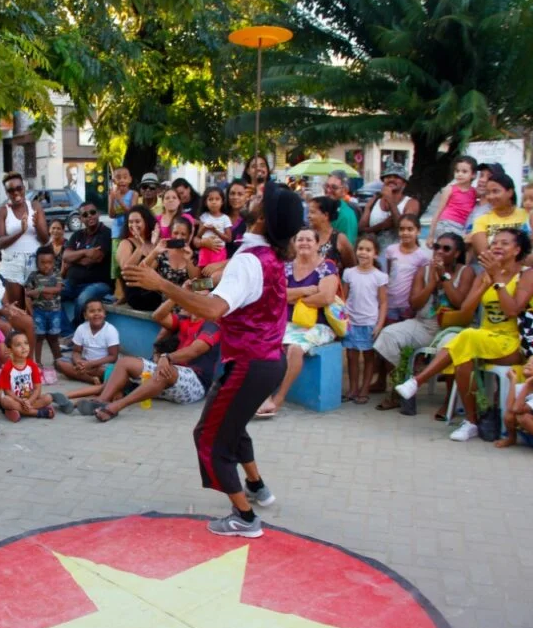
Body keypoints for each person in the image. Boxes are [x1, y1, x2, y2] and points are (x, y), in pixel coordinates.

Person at [120, 181, 305, 538]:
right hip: (267, 362)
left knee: (208, 437)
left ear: (263, 217)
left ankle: (245, 517)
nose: (251, 196)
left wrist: (162, 284)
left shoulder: (251, 261)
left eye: (259, 198)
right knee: (232, 428)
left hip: (249, 365)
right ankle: (256, 486)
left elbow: (214, 310)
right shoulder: (265, 255)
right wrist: (199, 285)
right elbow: (236, 296)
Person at [396, 229, 533, 442]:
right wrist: (484, 284)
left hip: (512, 342)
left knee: (468, 338)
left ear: (517, 250)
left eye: (504, 243)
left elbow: (512, 310)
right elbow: (465, 309)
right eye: (494, 243)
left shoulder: (529, 275)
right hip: (484, 339)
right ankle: (471, 422)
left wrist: (498, 280)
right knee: (463, 359)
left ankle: (418, 381)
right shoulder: (485, 274)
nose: (497, 246)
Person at [372, 233, 473, 414]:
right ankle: (401, 387)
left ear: (457, 253)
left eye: (446, 248)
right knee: (388, 335)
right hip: (423, 324)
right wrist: (431, 284)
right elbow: (415, 303)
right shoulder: (424, 270)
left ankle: (449, 401)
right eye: (437, 247)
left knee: (450, 345)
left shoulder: (466, 272)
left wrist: (444, 278)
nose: (440, 252)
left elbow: (460, 302)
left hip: (451, 328)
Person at [79, 295, 221, 422]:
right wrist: (178, 294)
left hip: (196, 384)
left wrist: (167, 357)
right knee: (124, 362)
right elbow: (158, 316)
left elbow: (195, 350)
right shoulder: (184, 320)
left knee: (165, 370)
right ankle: (101, 401)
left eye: (197, 298)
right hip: (172, 374)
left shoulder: (212, 326)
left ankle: (116, 407)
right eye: (191, 297)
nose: (191, 299)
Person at [255, 228, 340, 417]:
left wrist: (294, 297)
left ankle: (279, 398)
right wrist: (307, 290)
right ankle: (264, 395)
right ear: (294, 243)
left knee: (294, 348)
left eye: (309, 239)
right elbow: (277, 296)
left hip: (319, 325)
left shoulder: (327, 267)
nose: (304, 243)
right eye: (300, 239)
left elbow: (326, 297)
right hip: (288, 323)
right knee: (265, 343)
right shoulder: (286, 267)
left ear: (318, 244)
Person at [342, 235, 389, 405]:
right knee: (352, 356)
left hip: (369, 323)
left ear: (375, 254)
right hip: (351, 322)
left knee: (369, 358)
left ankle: (364, 389)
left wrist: (379, 324)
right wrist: (342, 319)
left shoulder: (379, 276)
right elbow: (343, 297)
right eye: (360, 249)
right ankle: (353, 388)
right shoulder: (349, 273)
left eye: (368, 250)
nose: (363, 253)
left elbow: (383, 302)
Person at [0, 171, 49, 309]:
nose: (16, 193)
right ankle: (18, 331)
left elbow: (45, 240)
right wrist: (21, 231)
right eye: (11, 190)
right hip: (12, 262)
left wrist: (37, 226)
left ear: (24, 188)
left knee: (36, 306)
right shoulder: (2, 211)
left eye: (19, 188)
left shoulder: (35, 206)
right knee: (16, 307)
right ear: (6, 193)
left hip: (35, 260)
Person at [61, 203, 112, 334]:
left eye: (92, 212)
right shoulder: (77, 235)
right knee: (48, 294)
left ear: (98, 214)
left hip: (98, 284)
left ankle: (76, 332)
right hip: (73, 282)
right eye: (85, 214)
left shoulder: (106, 233)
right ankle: (68, 332)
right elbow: (66, 256)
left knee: (83, 300)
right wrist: (84, 252)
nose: (89, 216)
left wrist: (74, 259)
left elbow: (95, 259)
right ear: (81, 218)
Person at [469, 173, 533, 261]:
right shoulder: (482, 220)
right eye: (488, 193)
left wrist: (529, 259)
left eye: (495, 191)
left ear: (510, 192)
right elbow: (484, 253)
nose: (491, 196)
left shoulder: (529, 215)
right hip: (495, 269)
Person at [360, 163, 421, 254]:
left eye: (396, 177)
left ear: (404, 183)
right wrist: (382, 225)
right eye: (388, 177)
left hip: (400, 257)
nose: (391, 179)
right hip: (374, 256)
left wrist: (390, 200)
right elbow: (361, 230)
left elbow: (402, 228)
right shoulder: (374, 201)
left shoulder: (411, 203)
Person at [55, 299, 120, 384]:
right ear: (85, 315)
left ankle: (81, 374)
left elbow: (113, 357)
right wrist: (78, 362)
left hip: (102, 364)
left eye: (99, 310)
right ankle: (91, 380)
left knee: (108, 371)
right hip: (84, 362)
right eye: (92, 311)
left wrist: (91, 364)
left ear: (104, 314)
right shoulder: (81, 328)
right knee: (59, 363)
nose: (96, 314)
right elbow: (76, 351)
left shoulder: (110, 330)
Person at [0, 330, 56, 421]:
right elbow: (7, 392)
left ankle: (17, 411)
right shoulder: (7, 368)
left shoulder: (32, 366)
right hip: (15, 399)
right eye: (18, 345)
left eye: (26, 343)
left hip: (29, 398)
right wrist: (21, 401)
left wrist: (29, 401)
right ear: (10, 350)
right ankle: (38, 413)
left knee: (48, 398)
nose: (24, 347)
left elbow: (37, 389)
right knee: (5, 400)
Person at [116, 205, 163, 311]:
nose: (133, 225)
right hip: (137, 293)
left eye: (137, 221)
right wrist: (140, 247)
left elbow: (153, 267)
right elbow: (126, 270)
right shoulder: (126, 243)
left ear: (146, 222)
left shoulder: (153, 242)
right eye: (130, 222)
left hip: (155, 289)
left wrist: (154, 245)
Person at [425, 156, 477, 244]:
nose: (459, 174)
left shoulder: (474, 192)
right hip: (446, 224)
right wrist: (430, 235)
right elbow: (438, 211)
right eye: (457, 171)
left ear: (473, 174)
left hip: (462, 227)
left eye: (464, 171)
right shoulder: (449, 189)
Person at [25, 246, 63, 366]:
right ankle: (38, 363)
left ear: (54, 263)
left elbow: (58, 289)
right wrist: (39, 292)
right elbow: (27, 292)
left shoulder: (56, 274)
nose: (46, 266)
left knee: (54, 336)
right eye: (42, 263)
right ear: (37, 263)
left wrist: (41, 289)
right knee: (39, 337)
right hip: (39, 311)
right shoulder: (33, 276)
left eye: (49, 262)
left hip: (55, 311)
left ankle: (59, 360)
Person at [141, 217, 199, 288]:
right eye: (175, 233)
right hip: (165, 297)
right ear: (171, 233)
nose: (178, 237)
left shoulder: (194, 254)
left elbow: (198, 283)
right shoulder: (163, 252)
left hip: (186, 297)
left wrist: (189, 261)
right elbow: (140, 271)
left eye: (183, 234)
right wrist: (155, 252)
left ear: (189, 236)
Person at [308, 195, 356, 274]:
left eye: (312, 212)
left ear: (325, 215)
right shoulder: (306, 236)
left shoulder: (339, 239)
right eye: (309, 212)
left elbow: (351, 268)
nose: (308, 216)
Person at [194, 187, 232, 269]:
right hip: (205, 250)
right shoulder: (204, 217)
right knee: (204, 274)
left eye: (217, 199)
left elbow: (228, 238)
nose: (214, 202)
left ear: (222, 202)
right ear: (205, 202)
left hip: (219, 250)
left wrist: (215, 230)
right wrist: (204, 228)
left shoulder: (225, 218)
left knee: (216, 275)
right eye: (210, 199)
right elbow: (198, 235)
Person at [324, 171, 358, 245]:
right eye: (326, 186)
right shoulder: (326, 208)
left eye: (334, 187)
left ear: (344, 191)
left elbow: (347, 248)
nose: (328, 190)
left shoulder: (346, 215)